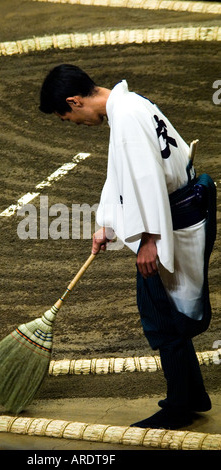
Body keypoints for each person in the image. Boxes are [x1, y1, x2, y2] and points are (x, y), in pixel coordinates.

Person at [39, 64, 216, 430]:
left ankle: (182, 404)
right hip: (179, 212)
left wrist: (149, 239)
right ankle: (191, 395)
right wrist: (108, 222)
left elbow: (147, 178)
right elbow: (120, 172)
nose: (76, 124)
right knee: (163, 310)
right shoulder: (129, 104)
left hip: (172, 223)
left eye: (69, 117)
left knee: (162, 314)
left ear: (74, 101)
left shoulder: (126, 120)